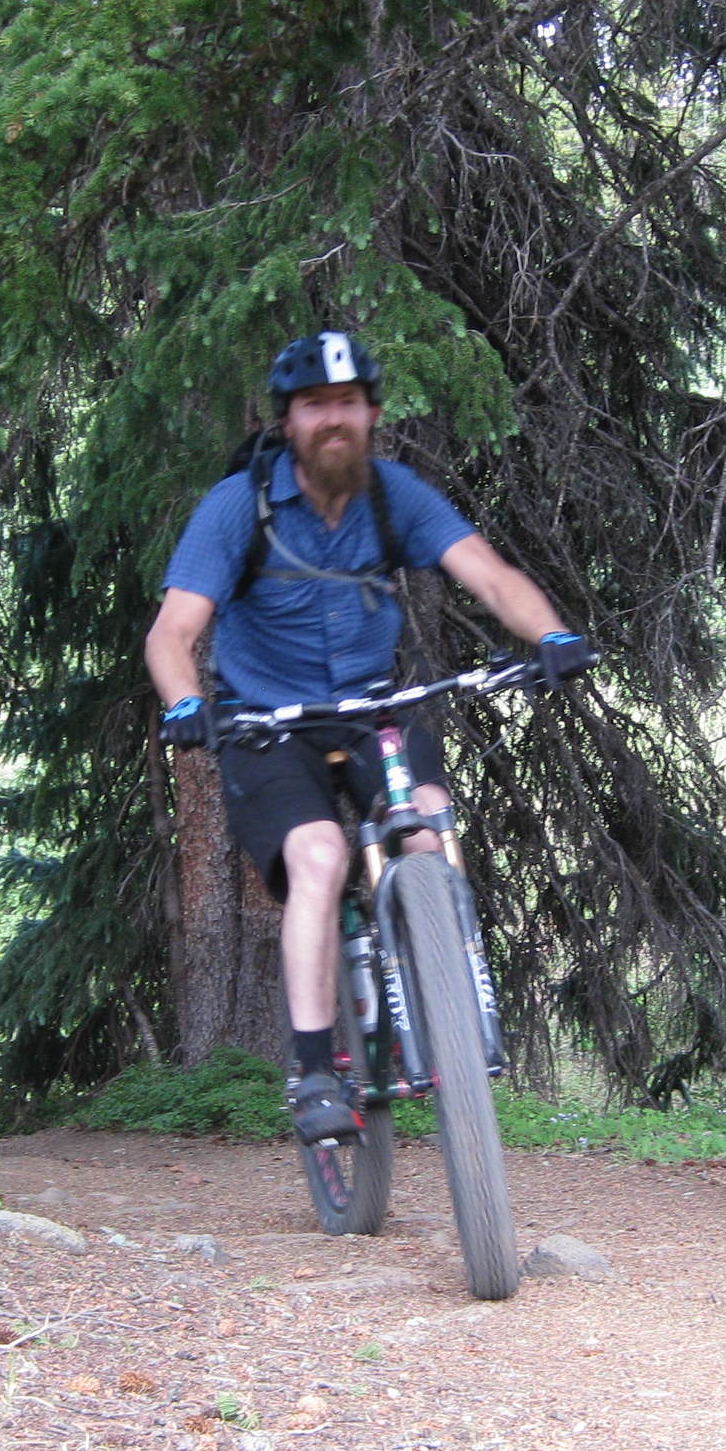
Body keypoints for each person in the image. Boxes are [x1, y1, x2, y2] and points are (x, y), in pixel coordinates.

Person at [144, 331, 596, 1144]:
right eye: (314, 406)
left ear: (372, 414)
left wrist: (553, 637)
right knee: (319, 855)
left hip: (372, 711)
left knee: (426, 825)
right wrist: (185, 704)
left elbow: (488, 573)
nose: (332, 420)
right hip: (264, 723)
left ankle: (445, 1008)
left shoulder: (394, 494)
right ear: (288, 422)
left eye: (346, 404)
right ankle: (316, 1068)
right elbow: (172, 633)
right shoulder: (236, 508)